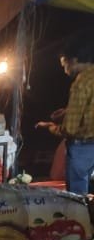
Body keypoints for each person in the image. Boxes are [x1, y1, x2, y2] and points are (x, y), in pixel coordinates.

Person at [39, 43, 94, 195]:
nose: (65, 70)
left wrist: (51, 127)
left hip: (83, 146)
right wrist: (68, 111)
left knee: (77, 196)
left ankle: (80, 219)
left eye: (65, 65)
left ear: (74, 60)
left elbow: (69, 129)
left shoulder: (81, 83)